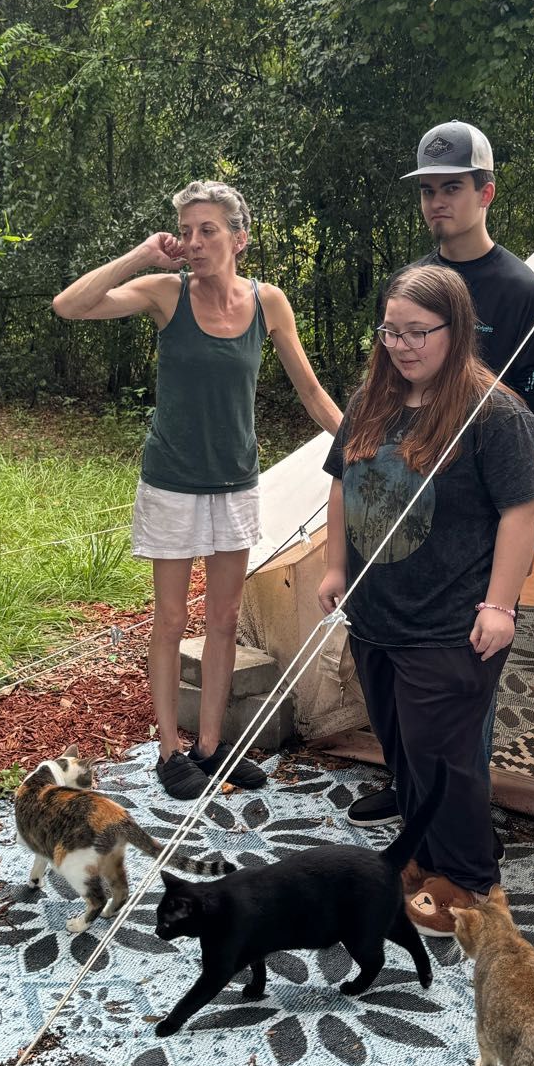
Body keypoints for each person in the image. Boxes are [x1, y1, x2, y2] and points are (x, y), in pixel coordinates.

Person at [53, 181, 341, 799]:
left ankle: (212, 746)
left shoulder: (269, 303)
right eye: (185, 231)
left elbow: (311, 391)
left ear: (239, 238)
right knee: (168, 618)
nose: (193, 242)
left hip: (236, 482)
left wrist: (361, 443)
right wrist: (140, 255)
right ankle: (170, 748)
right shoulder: (165, 293)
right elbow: (69, 306)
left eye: (207, 229)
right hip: (173, 483)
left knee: (225, 618)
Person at [349, 120, 534, 825]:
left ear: (485, 192)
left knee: (458, 682)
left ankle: (464, 829)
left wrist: (522, 536)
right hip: (408, 514)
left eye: (452, 188)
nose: (438, 202)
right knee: (395, 676)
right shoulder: (413, 287)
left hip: (476, 521)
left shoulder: (520, 291)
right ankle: (408, 789)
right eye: (428, 191)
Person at [317, 262, 534, 929]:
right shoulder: (371, 400)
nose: (402, 345)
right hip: (377, 614)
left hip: (452, 623)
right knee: (403, 750)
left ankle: (470, 882)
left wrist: (501, 605)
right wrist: (335, 568)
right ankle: (425, 857)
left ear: (457, 329)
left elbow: (521, 511)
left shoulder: (494, 414)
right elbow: (341, 484)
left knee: (444, 760)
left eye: (418, 331)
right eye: (391, 330)